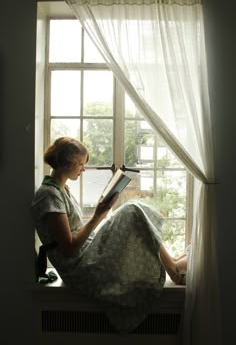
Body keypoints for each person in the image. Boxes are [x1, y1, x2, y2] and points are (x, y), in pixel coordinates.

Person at [31, 136, 188, 331]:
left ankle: (172, 261)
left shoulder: (62, 190)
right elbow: (69, 248)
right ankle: (174, 269)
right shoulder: (49, 194)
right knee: (132, 210)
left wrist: (102, 216)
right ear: (69, 163)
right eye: (81, 163)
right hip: (78, 269)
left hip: (85, 253)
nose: (83, 169)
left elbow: (76, 232)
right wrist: (98, 216)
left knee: (131, 211)